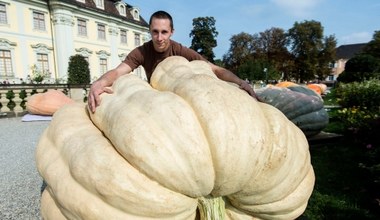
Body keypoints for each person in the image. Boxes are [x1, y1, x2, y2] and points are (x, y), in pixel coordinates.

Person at [88, 10, 258, 113]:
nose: (159, 38)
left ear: (171, 32)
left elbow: (214, 69)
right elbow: (118, 71)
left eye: (164, 32)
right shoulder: (141, 52)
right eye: (155, 32)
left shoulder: (179, 50)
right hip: (157, 103)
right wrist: (99, 82)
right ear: (150, 32)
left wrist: (240, 81)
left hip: (183, 102)